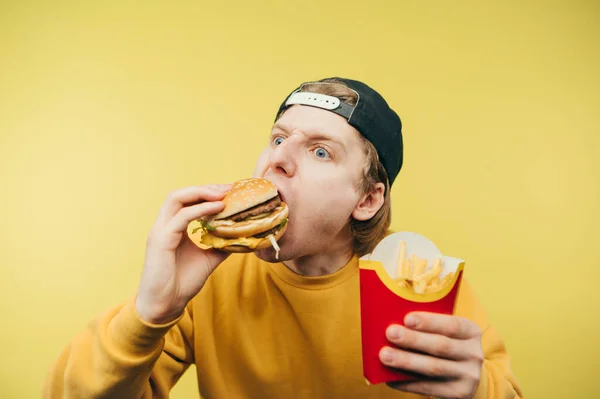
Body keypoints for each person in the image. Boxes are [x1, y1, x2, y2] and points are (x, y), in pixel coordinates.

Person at [43, 77, 523, 399]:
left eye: (319, 151)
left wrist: (476, 388)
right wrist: (148, 313)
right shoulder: (210, 276)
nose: (279, 160)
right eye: (278, 139)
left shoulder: (416, 276)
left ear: (368, 199)